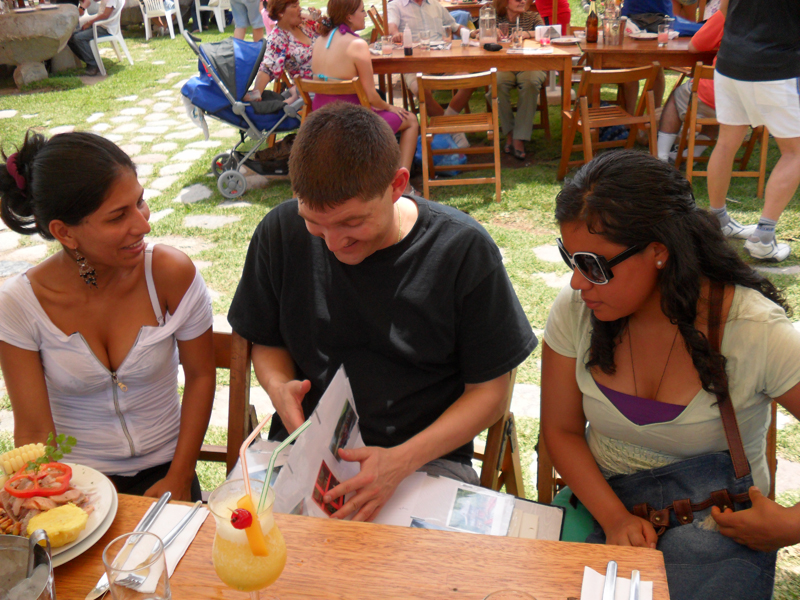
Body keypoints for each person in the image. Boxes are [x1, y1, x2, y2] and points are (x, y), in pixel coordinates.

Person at [228, 103, 537, 522]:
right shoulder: (279, 232)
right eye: (315, 224)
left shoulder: (461, 251)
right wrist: (278, 384)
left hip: (425, 460)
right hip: (308, 452)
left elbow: (490, 393)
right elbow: (266, 339)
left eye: (352, 223)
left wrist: (400, 461)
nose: (334, 243)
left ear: (397, 185)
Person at [541, 151, 800, 600]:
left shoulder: (753, 330)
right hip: (602, 506)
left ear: (658, 252)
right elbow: (560, 430)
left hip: (715, 528)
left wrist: (792, 525)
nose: (579, 283)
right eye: (572, 259)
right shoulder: (578, 309)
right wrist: (614, 518)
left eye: (595, 264)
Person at [0, 132, 215, 502]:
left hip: (169, 472)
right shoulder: (20, 306)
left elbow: (201, 374)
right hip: (78, 484)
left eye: (140, 202)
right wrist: (55, 500)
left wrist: (180, 477)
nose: (144, 225)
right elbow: (35, 429)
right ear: (64, 232)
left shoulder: (168, 274)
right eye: (118, 216)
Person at [706, 0, 800, 262]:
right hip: (776, 66)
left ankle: (717, 220)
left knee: (726, 142)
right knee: (795, 153)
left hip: (731, 61)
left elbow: (723, 8)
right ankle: (764, 237)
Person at [310, 0, 419, 180]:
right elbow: (371, 96)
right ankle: (402, 184)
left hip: (320, 121)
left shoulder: (320, 41)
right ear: (349, 16)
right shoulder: (357, 44)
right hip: (354, 124)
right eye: (362, 11)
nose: (365, 14)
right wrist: (391, 107)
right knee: (411, 120)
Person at [386, 0, 474, 147]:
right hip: (414, 64)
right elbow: (391, 26)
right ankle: (453, 130)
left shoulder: (435, 5)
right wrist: (395, 34)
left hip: (443, 60)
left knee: (471, 80)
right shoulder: (396, 5)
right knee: (420, 89)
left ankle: (447, 123)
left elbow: (454, 26)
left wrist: (472, 32)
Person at [656, 9, 724, 162]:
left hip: (719, 93)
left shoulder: (728, 12)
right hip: (753, 101)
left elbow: (694, 46)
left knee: (676, 98)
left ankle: (661, 156)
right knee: (722, 108)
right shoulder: (781, 17)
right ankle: (693, 153)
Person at [492, 0, 546, 161]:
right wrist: (489, 31)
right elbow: (477, 32)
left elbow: (547, 32)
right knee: (497, 84)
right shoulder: (495, 18)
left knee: (530, 83)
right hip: (504, 65)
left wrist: (526, 34)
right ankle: (509, 132)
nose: (523, 1)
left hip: (530, 64)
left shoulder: (532, 17)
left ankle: (518, 137)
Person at [244, 0, 319, 104]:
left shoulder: (305, 24)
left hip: (330, 78)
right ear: (281, 13)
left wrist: (318, 19)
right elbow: (267, 68)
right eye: (294, 6)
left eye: (298, 5)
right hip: (312, 89)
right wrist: (256, 92)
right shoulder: (278, 38)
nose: (300, 9)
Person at [68, 0, 118, 76]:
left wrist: (89, 22)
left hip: (106, 28)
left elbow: (106, 15)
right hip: (100, 25)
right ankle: (91, 62)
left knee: (78, 38)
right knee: (70, 37)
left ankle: (93, 64)